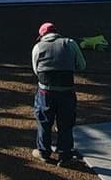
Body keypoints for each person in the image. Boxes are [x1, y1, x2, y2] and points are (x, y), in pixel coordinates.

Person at [30, 21, 87, 165]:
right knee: (66, 123)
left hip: (45, 92)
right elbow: (82, 65)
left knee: (44, 122)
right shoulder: (70, 43)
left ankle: (43, 152)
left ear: (42, 35)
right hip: (66, 91)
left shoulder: (37, 47)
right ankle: (65, 155)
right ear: (56, 32)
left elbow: (36, 70)